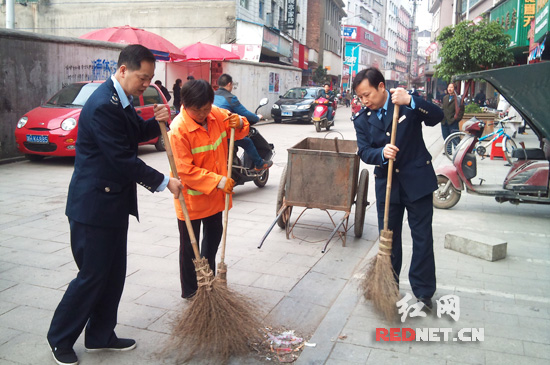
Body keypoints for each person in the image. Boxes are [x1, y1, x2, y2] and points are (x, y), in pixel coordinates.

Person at [47, 45, 183, 365]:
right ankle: (60, 338)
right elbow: (122, 158)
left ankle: (100, 335)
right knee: (93, 275)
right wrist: (164, 182)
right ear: (123, 70)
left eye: (150, 79)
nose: (145, 84)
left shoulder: (121, 99)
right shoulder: (103, 105)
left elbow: (133, 133)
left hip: (112, 204)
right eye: (142, 77)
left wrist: (158, 120)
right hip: (93, 207)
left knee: (113, 273)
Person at [351, 67, 444, 310]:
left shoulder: (404, 103)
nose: (365, 101)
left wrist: (412, 100)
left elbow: (437, 116)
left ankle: (423, 292)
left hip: (417, 181)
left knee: (422, 238)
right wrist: (381, 153)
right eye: (360, 97)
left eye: (367, 94)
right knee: (388, 239)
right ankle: (388, 285)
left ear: (381, 87)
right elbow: (364, 151)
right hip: (388, 187)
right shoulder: (363, 119)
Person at [168, 79, 250, 299]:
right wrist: (218, 181)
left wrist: (239, 122)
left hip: (215, 199)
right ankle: (191, 291)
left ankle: (208, 282)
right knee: (189, 249)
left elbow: (241, 130)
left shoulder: (217, 114)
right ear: (185, 105)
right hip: (191, 201)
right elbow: (184, 170)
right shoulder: (178, 130)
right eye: (198, 110)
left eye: (206, 108)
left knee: (212, 240)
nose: (203, 114)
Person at [213, 73, 272, 170]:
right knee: (247, 142)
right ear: (229, 84)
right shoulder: (230, 98)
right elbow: (245, 114)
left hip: (213, 133)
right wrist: (257, 117)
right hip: (225, 134)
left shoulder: (212, 96)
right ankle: (259, 164)